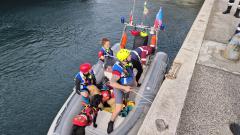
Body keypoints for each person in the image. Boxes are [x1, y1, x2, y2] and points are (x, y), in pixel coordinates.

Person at [107, 49, 136, 134]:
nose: (130, 56)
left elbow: (131, 73)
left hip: (127, 86)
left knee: (126, 98)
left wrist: (134, 81)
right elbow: (112, 83)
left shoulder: (128, 63)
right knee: (118, 108)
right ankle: (111, 122)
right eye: (129, 56)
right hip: (119, 88)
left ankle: (126, 103)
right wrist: (124, 88)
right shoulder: (117, 69)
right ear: (124, 59)